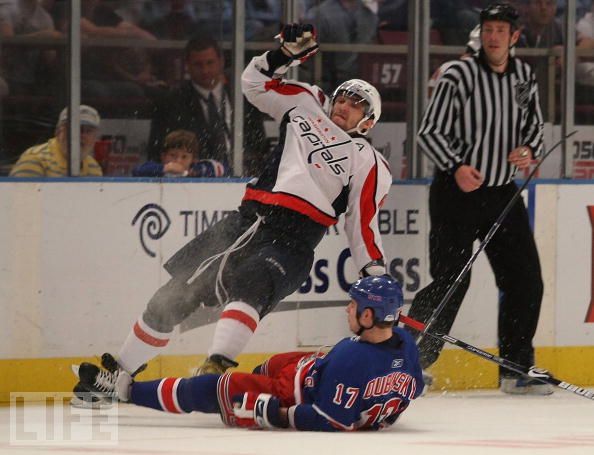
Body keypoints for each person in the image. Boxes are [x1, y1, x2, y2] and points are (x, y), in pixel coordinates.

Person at [69, 23, 392, 401]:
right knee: (172, 295)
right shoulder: (306, 102)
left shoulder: (367, 160)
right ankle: (118, 374)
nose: (345, 106)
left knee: (251, 283)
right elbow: (254, 83)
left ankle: (215, 370)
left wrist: (376, 276)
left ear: (368, 123)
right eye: (343, 98)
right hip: (246, 220)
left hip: (294, 239)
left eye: (357, 105)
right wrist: (284, 55)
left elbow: (362, 223)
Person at [407, 2, 552, 395]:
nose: (493, 36)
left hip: (502, 193)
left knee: (526, 280)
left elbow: (535, 126)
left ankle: (515, 368)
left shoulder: (523, 75)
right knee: (451, 279)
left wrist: (527, 149)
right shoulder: (458, 74)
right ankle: (408, 362)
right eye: (488, 29)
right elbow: (428, 132)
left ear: (514, 37)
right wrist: (456, 166)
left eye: (501, 31)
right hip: (456, 191)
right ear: (481, 33)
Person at [75, 275, 424, 432]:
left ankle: (125, 391)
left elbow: (332, 420)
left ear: (368, 316)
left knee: (218, 387)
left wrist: (279, 414)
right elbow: (415, 386)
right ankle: (250, 384)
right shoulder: (405, 346)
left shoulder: (352, 356)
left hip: (295, 392)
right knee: (270, 364)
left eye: (354, 305)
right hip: (313, 372)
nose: (347, 310)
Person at [147, 36, 267, 176]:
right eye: (198, 64)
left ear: (221, 61)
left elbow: (259, 145)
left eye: (210, 63)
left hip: (245, 178)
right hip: (193, 183)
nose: (205, 70)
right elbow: (157, 152)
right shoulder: (171, 103)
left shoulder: (244, 97)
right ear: (187, 65)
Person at [9, 105, 103, 177]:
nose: (80, 135)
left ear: (95, 137)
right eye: (73, 128)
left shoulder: (93, 166)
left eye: (88, 131)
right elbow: (20, 200)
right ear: (58, 132)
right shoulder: (35, 159)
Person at [132, 129, 227, 177]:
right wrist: (165, 168)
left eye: (184, 157)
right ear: (163, 156)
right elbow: (137, 171)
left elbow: (222, 169)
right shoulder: (156, 169)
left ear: (193, 159)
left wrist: (192, 172)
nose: (178, 160)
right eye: (172, 155)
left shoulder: (198, 169)